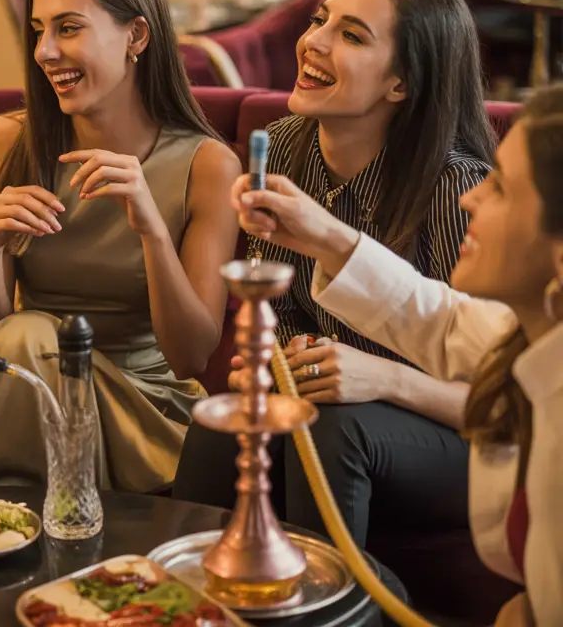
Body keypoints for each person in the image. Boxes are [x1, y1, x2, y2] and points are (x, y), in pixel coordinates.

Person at [173, 0, 497, 547]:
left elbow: (500, 392)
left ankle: (332, 607)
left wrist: (385, 380)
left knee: (336, 424)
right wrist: (276, 365)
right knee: (222, 424)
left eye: (350, 35)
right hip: (335, 418)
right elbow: (283, 318)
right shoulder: (289, 147)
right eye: (321, 20)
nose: (312, 42)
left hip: (460, 438)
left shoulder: (457, 189)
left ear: (401, 82)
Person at [228, 82, 563, 625]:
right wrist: (324, 237)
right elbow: (441, 318)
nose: (472, 196)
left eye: (501, 189)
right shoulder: (537, 336)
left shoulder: (449, 176)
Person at [0, 0, 242, 492]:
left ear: (136, 35)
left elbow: (190, 354)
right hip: (23, 386)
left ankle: (21, 539)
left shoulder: (207, 165)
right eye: (38, 30)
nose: (44, 52)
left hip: (144, 408)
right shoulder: (5, 140)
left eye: (69, 27)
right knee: (21, 337)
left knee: (23, 340)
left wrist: (152, 229)